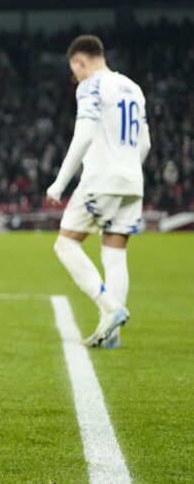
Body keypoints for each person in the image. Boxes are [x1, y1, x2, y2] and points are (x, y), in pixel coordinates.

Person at [46, 34, 149, 348]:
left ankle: (112, 308)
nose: (74, 77)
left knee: (65, 245)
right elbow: (145, 143)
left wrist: (59, 183)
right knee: (114, 254)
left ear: (80, 60)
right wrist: (129, 169)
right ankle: (111, 336)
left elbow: (85, 133)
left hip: (102, 178)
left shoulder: (91, 84)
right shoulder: (133, 88)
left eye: (73, 70)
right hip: (132, 180)